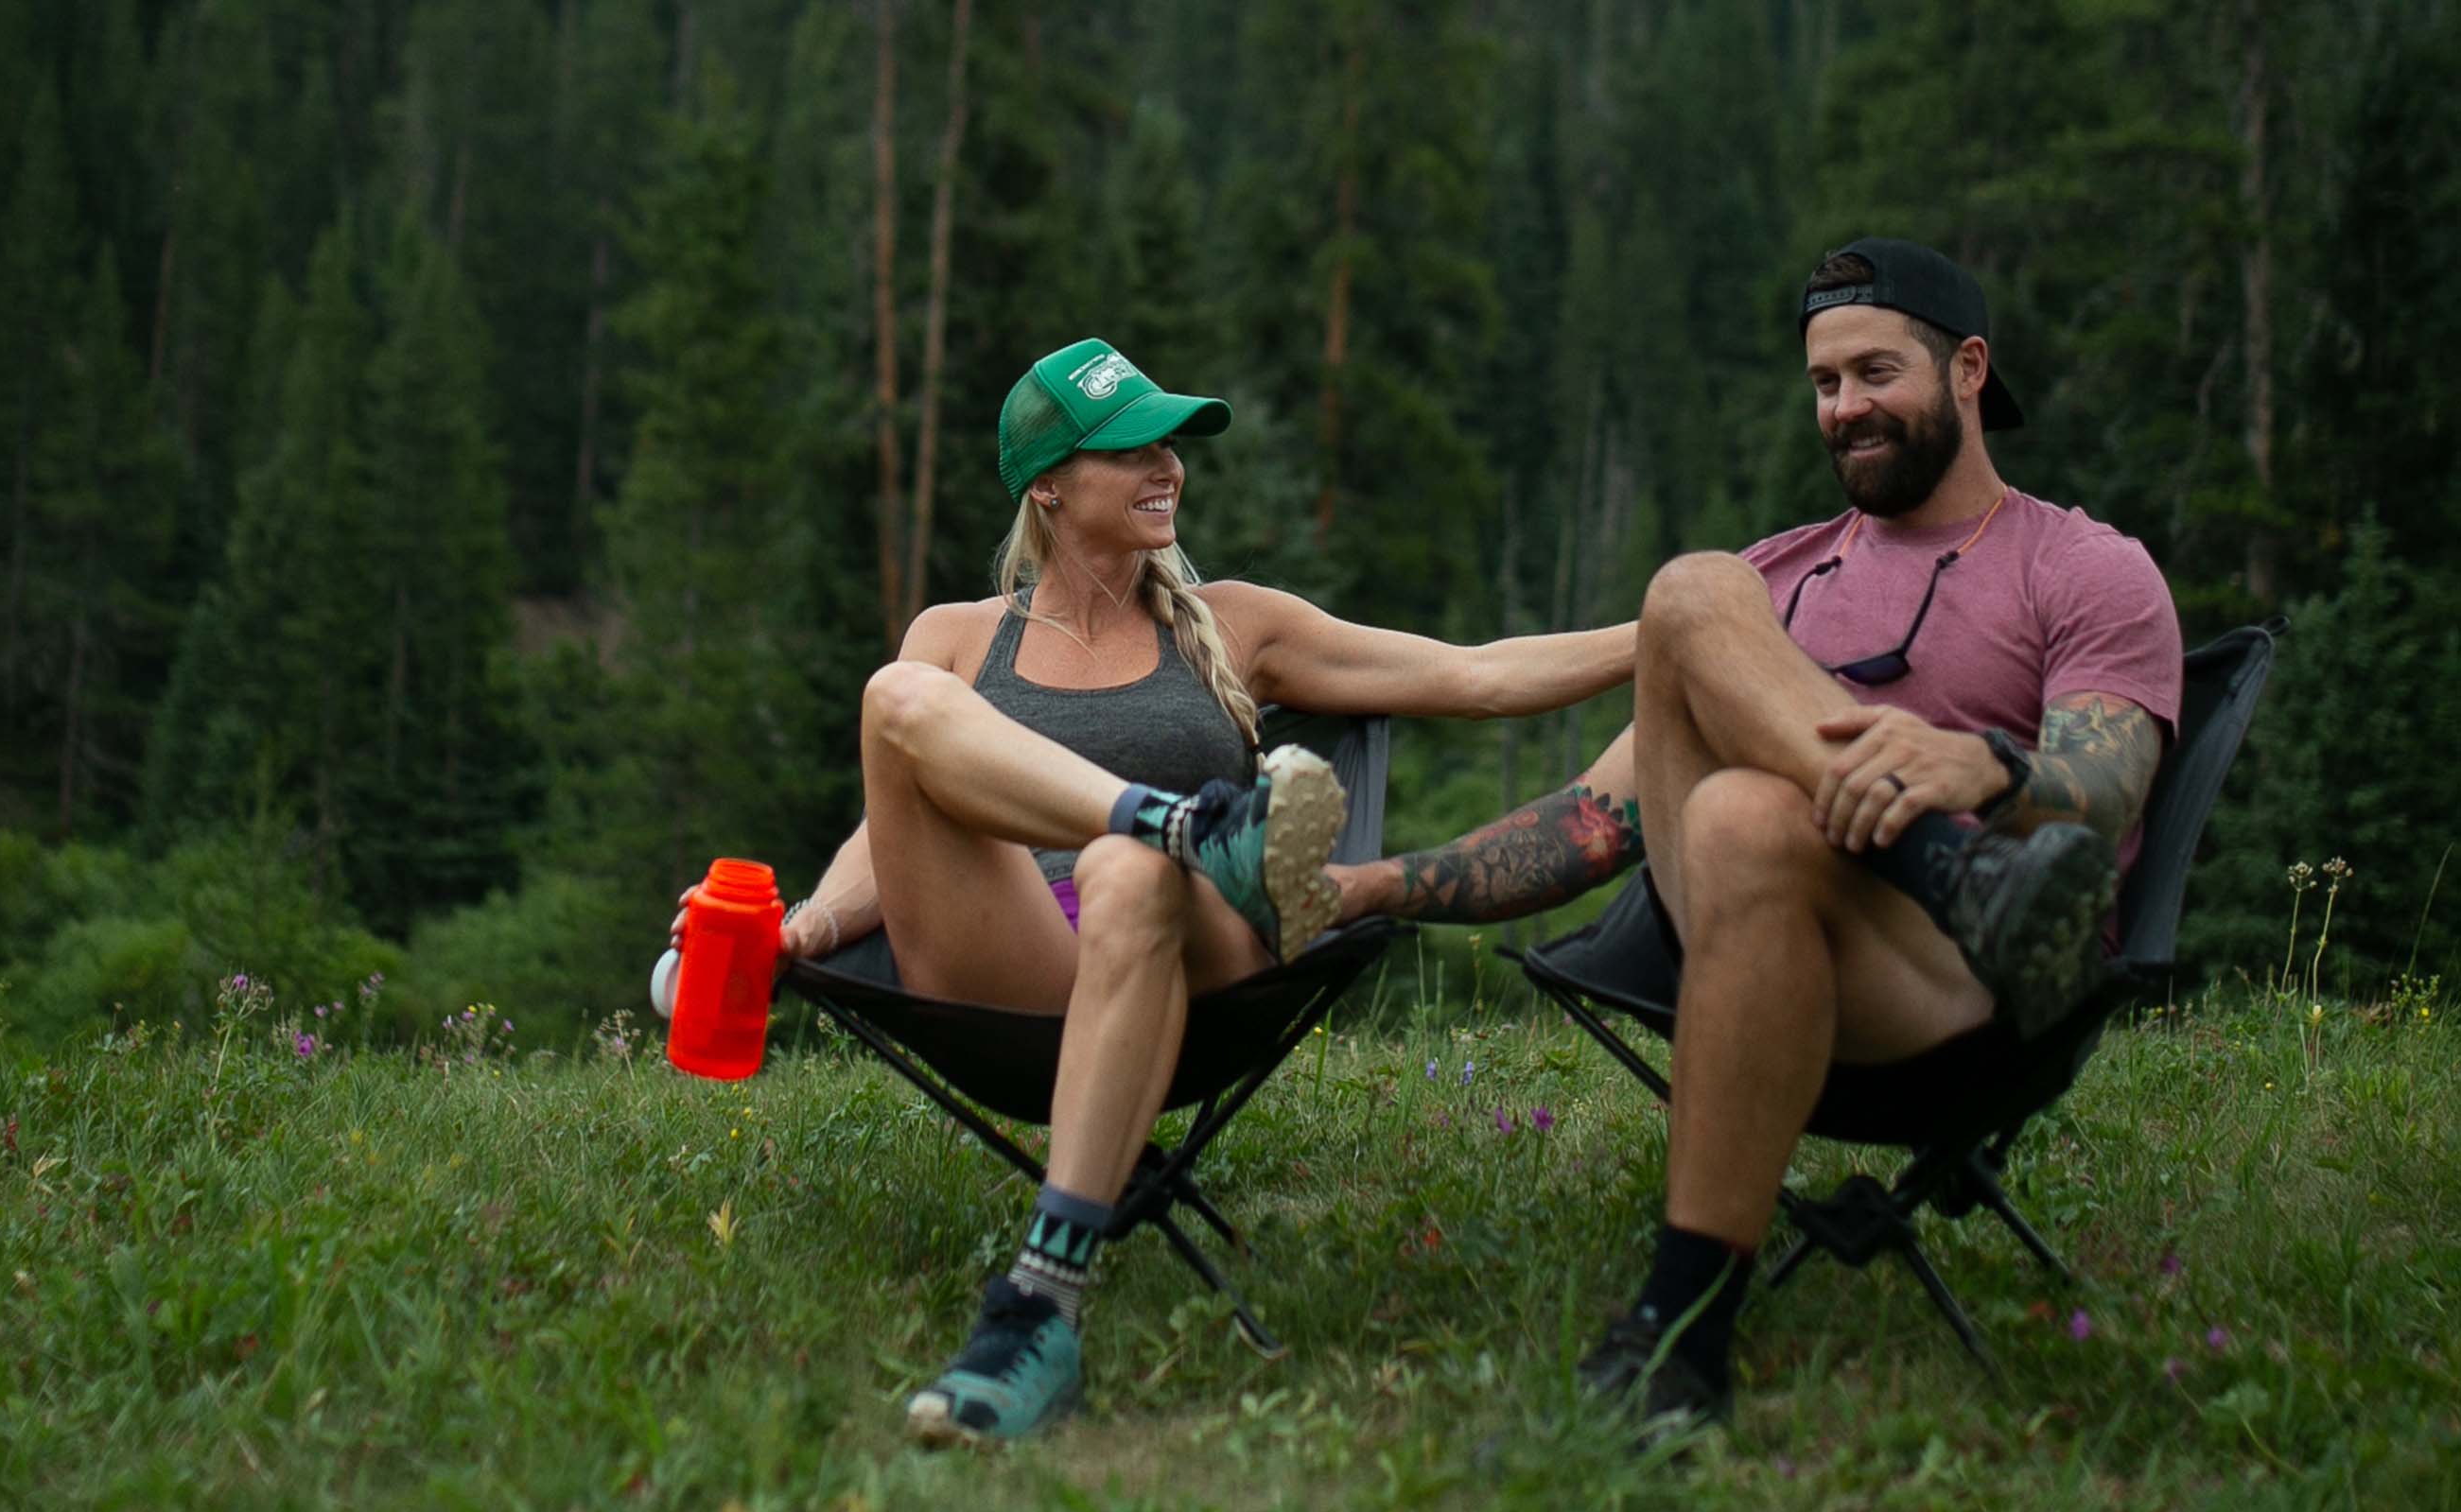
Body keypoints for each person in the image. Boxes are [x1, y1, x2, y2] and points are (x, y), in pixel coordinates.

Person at [681, 337, 1636, 1446]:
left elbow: (1478, 677)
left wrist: (1666, 628)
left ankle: (1040, 1303)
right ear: (1047, 484)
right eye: (1127, 446)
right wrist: (817, 922)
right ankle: (1184, 826)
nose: (1165, 464)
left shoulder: (1235, 623)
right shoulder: (957, 639)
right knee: (899, 699)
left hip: (1194, 952)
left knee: (1126, 870)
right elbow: (889, 825)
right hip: (1023, 956)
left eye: (1168, 441)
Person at [1334, 239, 2184, 1431]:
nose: (1845, 409)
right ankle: (1947, 871)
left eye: (1874, 372)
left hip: (1967, 990)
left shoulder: (2083, 567)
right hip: (1770, 945)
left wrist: (1978, 765)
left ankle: (1680, 1326)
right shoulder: (1769, 584)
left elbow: (2107, 789)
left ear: (1969, 369)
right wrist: (1370, 886)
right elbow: (1592, 823)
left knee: (1732, 772)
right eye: (1824, 384)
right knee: (1699, 626)